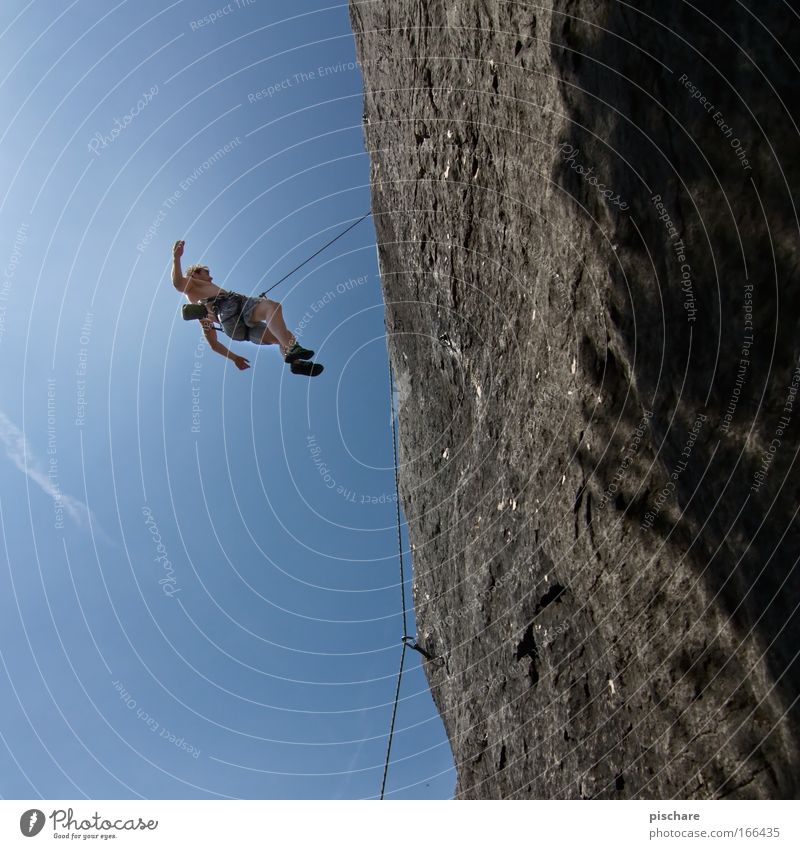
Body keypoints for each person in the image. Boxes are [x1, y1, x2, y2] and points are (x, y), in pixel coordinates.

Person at [171, 239, 323, 376]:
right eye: (207, 273)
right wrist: (176, 258)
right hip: (233, 307)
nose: (211, 277)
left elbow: (214, 345)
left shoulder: (201, 312)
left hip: (234, 329)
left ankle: (296, 364)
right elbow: (178, 283)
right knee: (273, 308)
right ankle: (292, 350)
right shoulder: (193, 283)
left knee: (282, 337)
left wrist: (235, 358)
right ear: (195, 274)